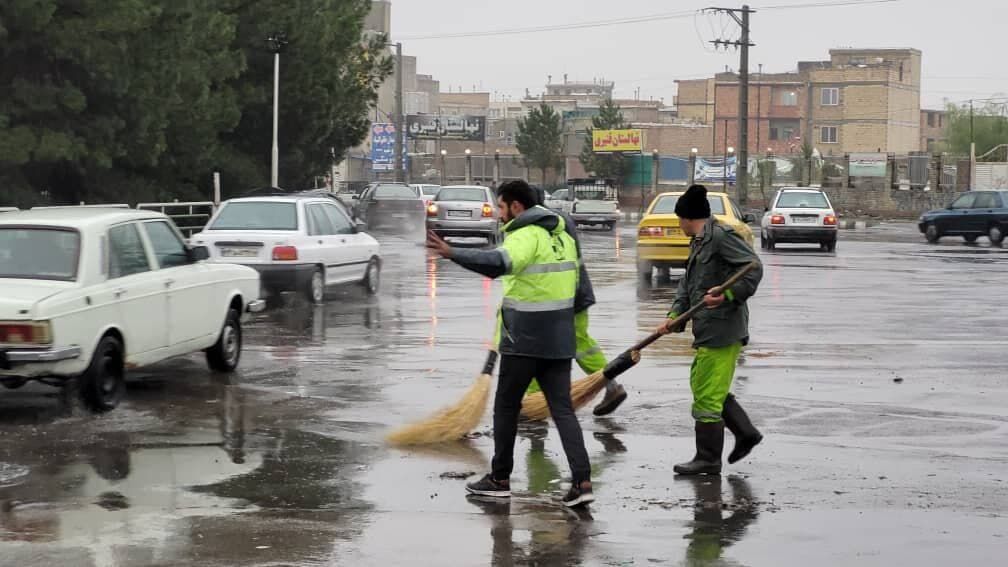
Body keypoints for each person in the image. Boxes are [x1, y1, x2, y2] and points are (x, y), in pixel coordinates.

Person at [427, 180, 594, 508]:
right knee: (562, 409)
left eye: (501, 207)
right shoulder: (563, 235)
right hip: (560, 338)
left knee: (506, 406)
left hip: (526, 340)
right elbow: (576, 284)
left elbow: (500, 263)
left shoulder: (526, 234)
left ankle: (499, 478)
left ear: (517, 206)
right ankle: (582, 481)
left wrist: (452, 253)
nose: (500, 215)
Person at [655, 184, 764, 476]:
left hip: (723, 330)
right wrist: (676, 313)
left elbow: (753, 269)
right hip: (706, 330)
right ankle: (745, 432)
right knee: (704, 386)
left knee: (706, 397)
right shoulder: (699, 241)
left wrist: (726, 295)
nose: (678, 225)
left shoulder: (720, 238)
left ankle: (707, 459)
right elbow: (687, 285)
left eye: (679, 220)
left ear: (689, 218)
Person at [524, 185, 628, 416]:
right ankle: (611, 385)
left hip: (559, 297)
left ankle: (532, 403)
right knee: (581, 343)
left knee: (535, 347)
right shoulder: (560, 219)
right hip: (577, 294)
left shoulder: (539, 225)